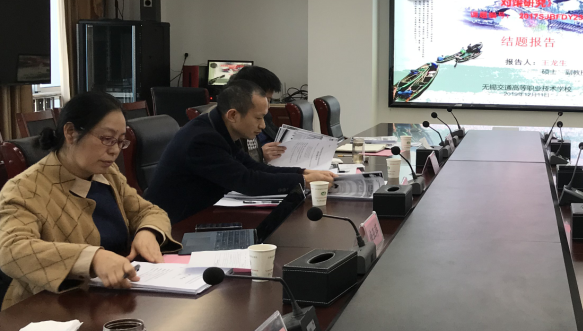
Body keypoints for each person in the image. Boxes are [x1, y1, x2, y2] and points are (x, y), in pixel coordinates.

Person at [0, 92, 182, 311]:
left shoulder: (107, 174)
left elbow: (148, 211)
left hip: (112, 301)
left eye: (120, 141)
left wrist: (148, 232)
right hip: (49, 309)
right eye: (107, 139)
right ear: (70, 133)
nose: (114, 150)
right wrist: (93, 258)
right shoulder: (24, 189)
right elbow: (11, 250)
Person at [145, 80, 336, 223]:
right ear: (233, 115)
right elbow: (247, 181)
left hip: (206, 212)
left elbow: (252, 167)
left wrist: (303, 172)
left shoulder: (218, 127)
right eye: (258, 118)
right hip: (176, 226)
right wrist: (303, 181)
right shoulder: (201, 139)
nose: (263, 126)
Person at [228, 65, 286, 164]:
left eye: (269, 100)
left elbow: (275, 133)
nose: (262, 126)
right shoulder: (235, 122)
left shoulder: (263, 113)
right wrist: (259, 154)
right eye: (267, 100)